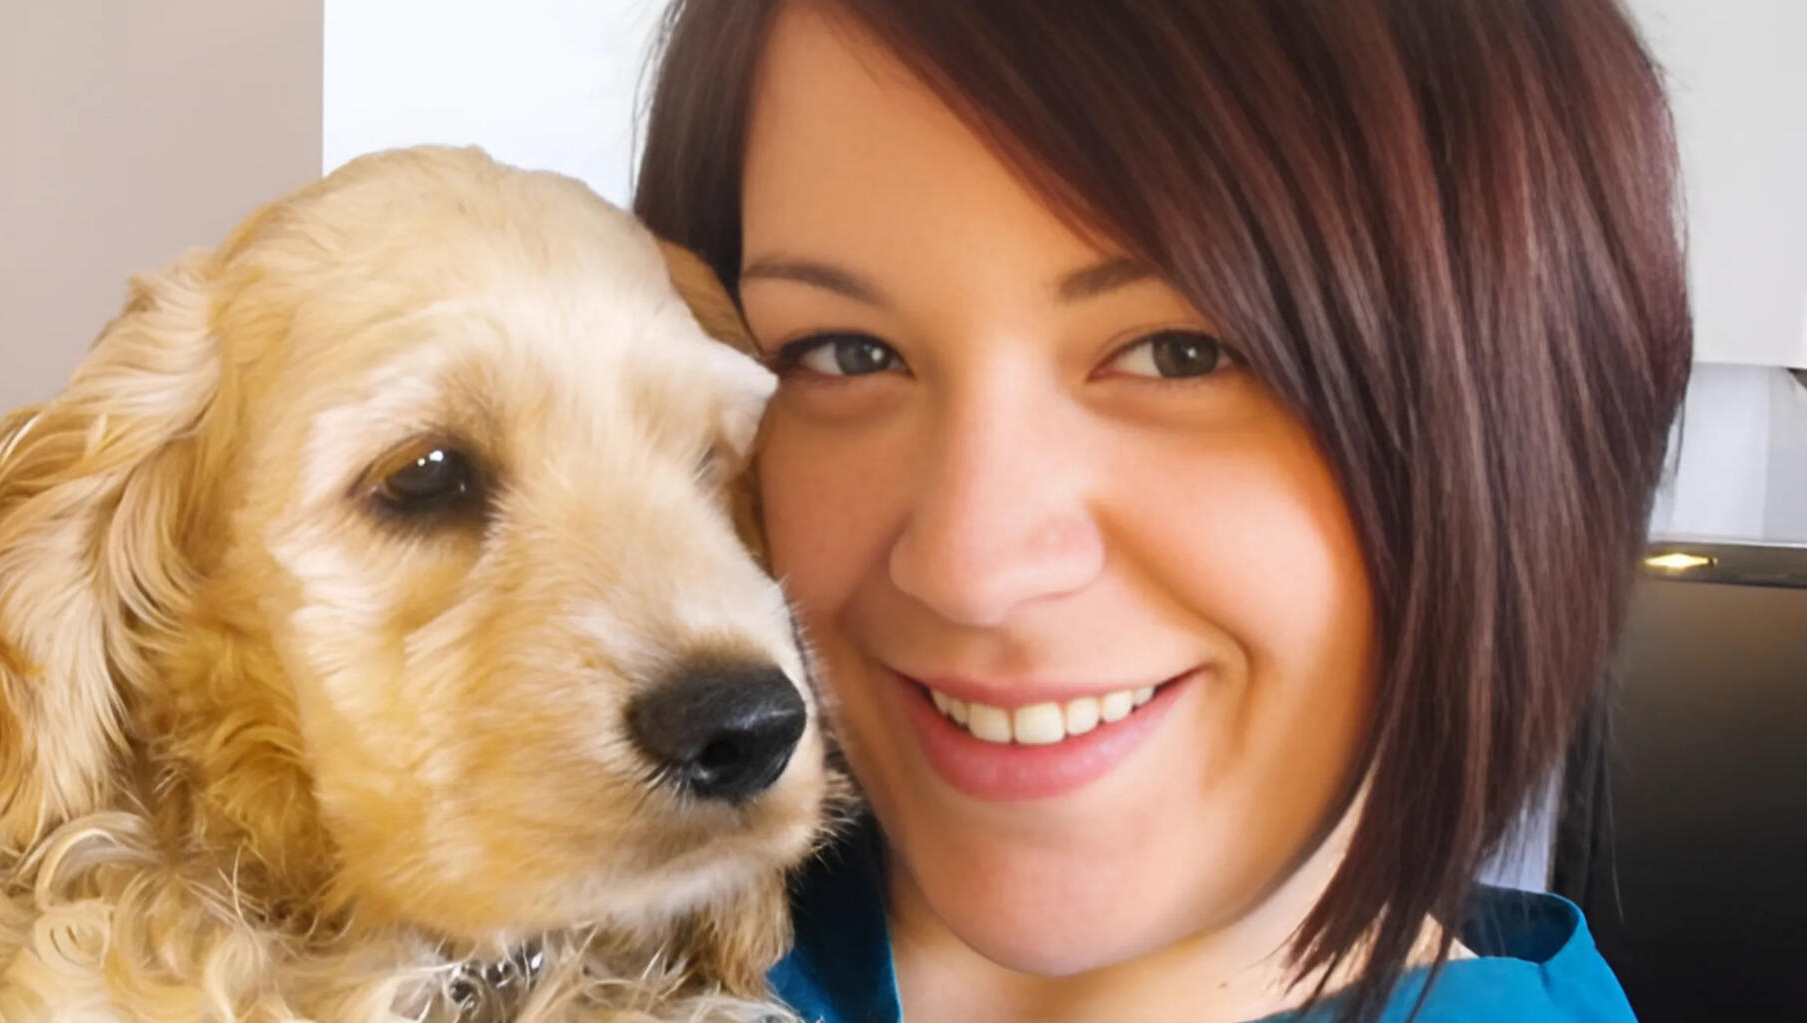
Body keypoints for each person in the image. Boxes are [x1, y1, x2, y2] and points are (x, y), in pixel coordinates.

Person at [632, 2, 1690, 1021]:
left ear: (1521, 414)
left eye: (1179, 354)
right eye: (845, 353)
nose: (966, 563)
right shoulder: (577, 905)